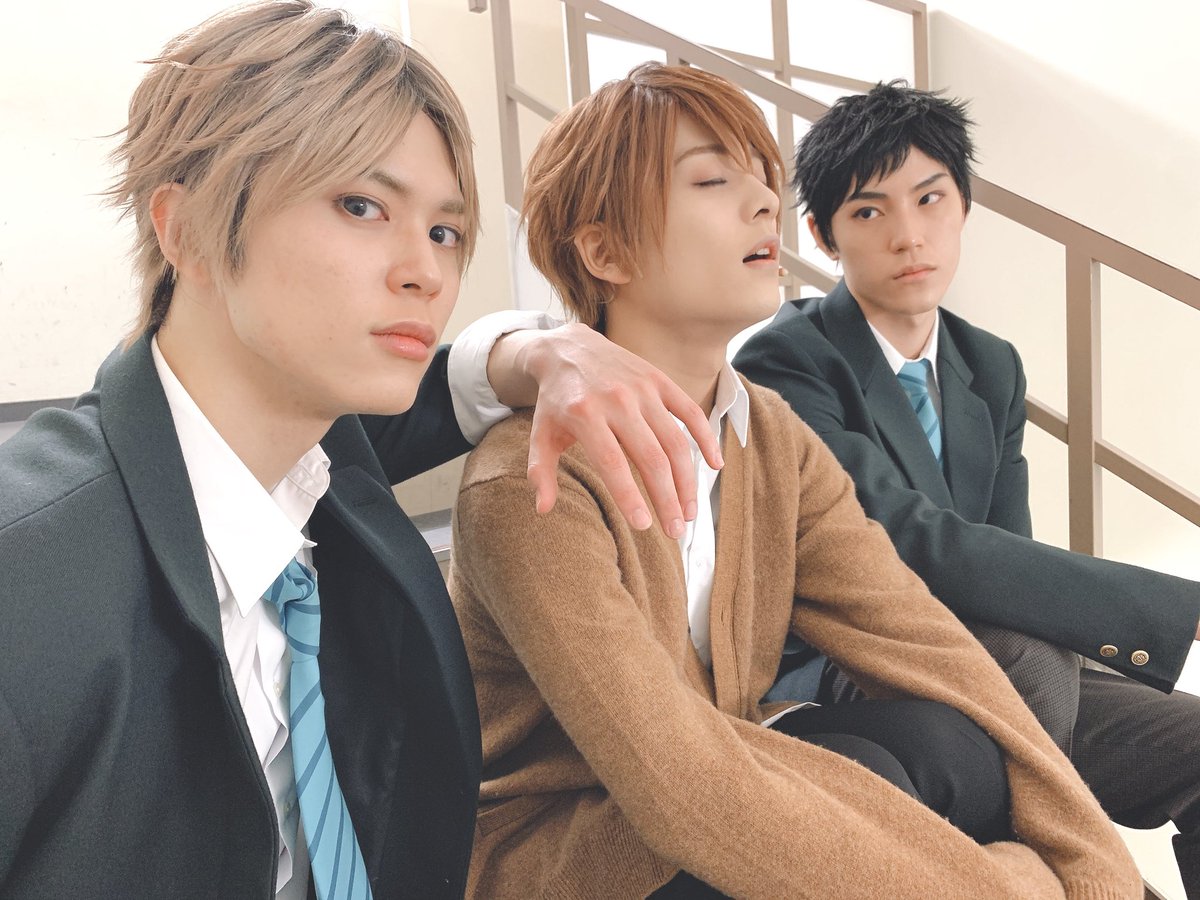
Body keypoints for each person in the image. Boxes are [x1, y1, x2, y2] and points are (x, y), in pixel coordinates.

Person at [0, 4, 723, 897]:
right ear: (185, 229)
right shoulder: (30, 579)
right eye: (360, 206)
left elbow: (444, 391)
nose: (425, 271)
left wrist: (544, 350)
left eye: (445, 231)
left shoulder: (320, 464)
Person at [449, 62, 1141, 899]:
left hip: (717, 768)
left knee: (955, 747)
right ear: (605, 250)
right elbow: (680, 791)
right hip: (572, 851)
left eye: (762, 178)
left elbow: (923, 639)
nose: (763, 202)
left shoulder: (769, 433)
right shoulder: (530, 481)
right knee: (860, 781)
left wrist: (1091, 866)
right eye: (712, 180)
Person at [733, 80, 1200, 896]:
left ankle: (1067, 857)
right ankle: (1056, 870)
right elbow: (905, 540)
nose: (909, 235)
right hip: (849, 658)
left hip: (997, 670)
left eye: (930, 199)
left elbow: (1007, 557)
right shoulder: (788, 360)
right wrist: (1180, 611)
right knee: (1030, 658)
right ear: (824, 234)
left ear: (965, 205)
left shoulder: (989, 365)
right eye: (869, 211)